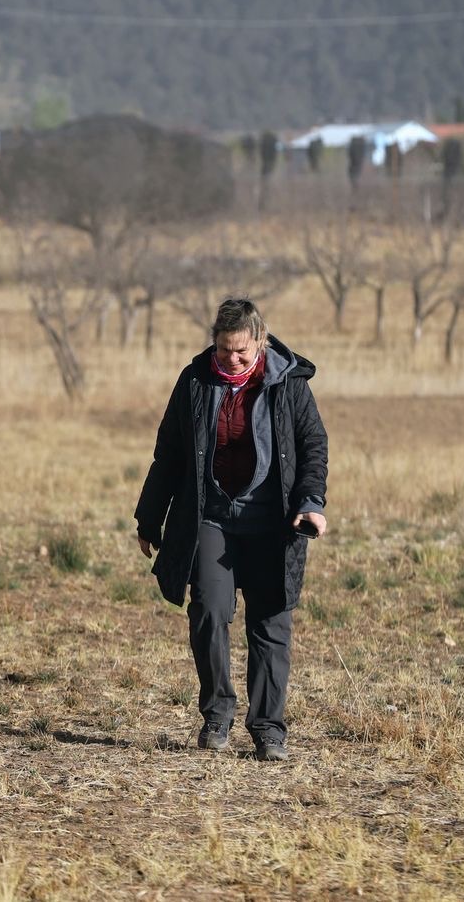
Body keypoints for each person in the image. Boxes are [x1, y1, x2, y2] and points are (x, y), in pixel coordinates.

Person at [133, 297, 328, 761]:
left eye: (241, 351)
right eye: (223, 351)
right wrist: (148, 517)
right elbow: (170, 454)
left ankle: (268, 729)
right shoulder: (195, 382)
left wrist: (310, 503)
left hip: (271, 522)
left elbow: (312, 445)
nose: (232, 360)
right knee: (208, 610)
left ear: (260, 341)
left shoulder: (289, 383)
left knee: (270, 621)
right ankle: (217, 713)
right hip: (212, 516)